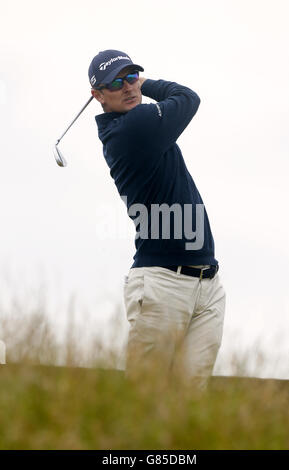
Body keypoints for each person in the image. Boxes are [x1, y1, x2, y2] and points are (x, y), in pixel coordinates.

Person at [88, 49, 226, 389]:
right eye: (116, 82)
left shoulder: (138, 121)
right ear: (98, 95)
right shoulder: (134, 128)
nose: (129, 87)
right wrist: (147, 83)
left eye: (132, 76)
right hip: (162, 284)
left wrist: (132, 82)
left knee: (191, 402)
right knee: (145, 398)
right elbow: (187, 97)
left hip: (207, 284)